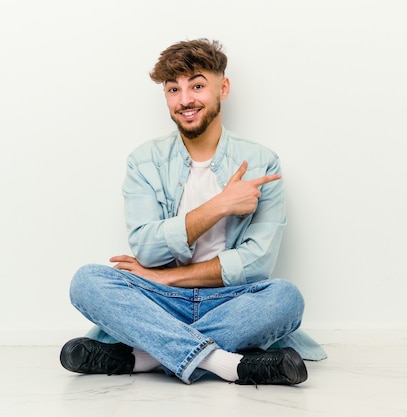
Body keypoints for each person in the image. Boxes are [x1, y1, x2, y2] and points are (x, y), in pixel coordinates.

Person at [59, 38, 325, 385]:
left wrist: (168, 276)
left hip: (229, 302)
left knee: (285, 298)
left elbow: (257, 263)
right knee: (87, 281)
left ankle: (144, 358)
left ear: (223, 88)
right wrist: (220, 205)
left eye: (197, 85)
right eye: (173, 89)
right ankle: (230, 365)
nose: (185, 100)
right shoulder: (144, 161)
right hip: (161, 303)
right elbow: (146, 248)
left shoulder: (262, 161)